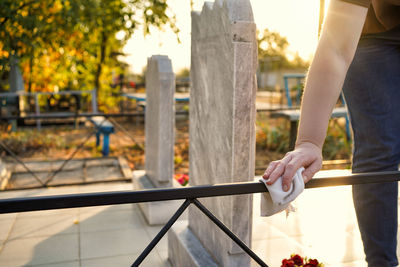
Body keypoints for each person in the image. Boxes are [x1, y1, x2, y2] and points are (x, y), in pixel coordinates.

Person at [262, 0, 400, 266]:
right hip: (370, 33)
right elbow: (336, 48)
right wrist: (309, 142)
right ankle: (382, 263)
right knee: (380, 147)